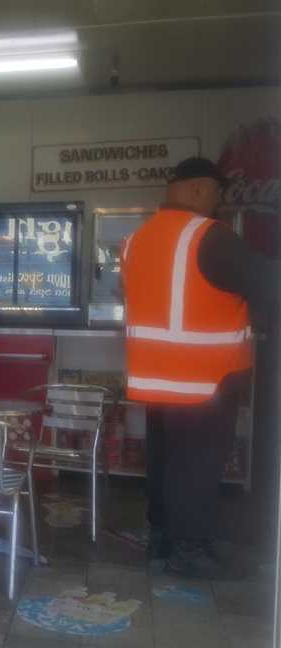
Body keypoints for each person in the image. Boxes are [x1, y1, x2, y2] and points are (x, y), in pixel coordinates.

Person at [122, 156, 275, 579]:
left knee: (165, 459)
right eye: (216, 192)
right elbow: (267, 283)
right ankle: (189, 549)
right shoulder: (210, 237)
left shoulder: (138, 239)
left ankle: (163, 539)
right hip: (205, 378)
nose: (218, 201)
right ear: (197, 189)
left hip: (155, 378)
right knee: (198, 464)